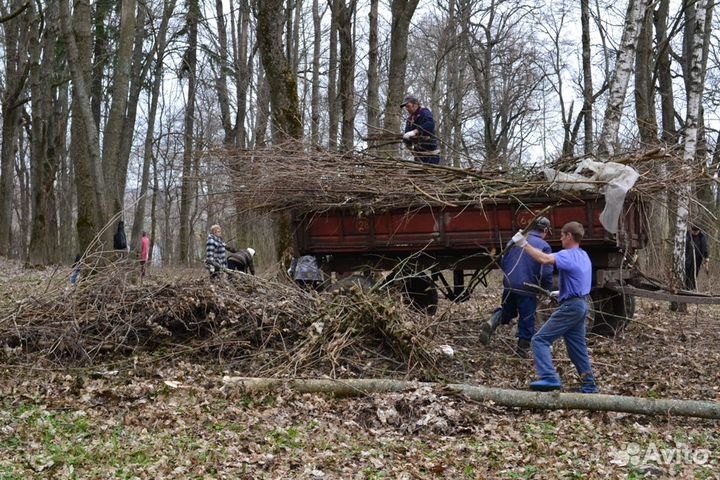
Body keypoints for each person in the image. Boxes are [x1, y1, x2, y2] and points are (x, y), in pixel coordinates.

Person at [510, 221, 598, 393]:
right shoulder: (583, 255)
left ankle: (549, 377)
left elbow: (544, 259)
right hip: (581, 304)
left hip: (571, 307)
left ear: (569, 236)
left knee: (539, 340)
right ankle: (589, 385)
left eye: (562, 235)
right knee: (577, 349)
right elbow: (579, 278)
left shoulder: (567, 254)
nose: (560, 238)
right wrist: (562, 292)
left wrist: (523, 244)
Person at [479, 217, 553, 358]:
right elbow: (547, 272)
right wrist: (546, 289)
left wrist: (509, 279)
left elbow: (503, 261)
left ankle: (493, 320)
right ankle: (521, 352)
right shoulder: (544, 246)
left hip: (509, 284)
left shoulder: (514, 240)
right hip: (527, 287)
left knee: (508, 311)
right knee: (527, 318)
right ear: (544, 230)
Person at [401, 94, 440, 165]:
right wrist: (407, 140)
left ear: (415, 104)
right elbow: (407, 134)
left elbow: (430, 124)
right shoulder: (410, 120)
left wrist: (415, 131)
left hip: (430, 154)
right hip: (418, 154)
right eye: (406, 107)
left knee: (429, 174)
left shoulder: (424, 113)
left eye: (408, 106)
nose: (407, 108)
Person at [685, 224, 709, 291]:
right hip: (687, 257)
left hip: (697, 259)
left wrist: (706, 258)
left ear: (699, 230)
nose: (695, 232)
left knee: (694, 274)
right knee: (686, 273)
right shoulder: (687, 235)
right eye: (693, 230)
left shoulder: (702, 237)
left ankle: (692, 288)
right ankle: (686, 287)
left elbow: (705, 248)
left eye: (696, 231)